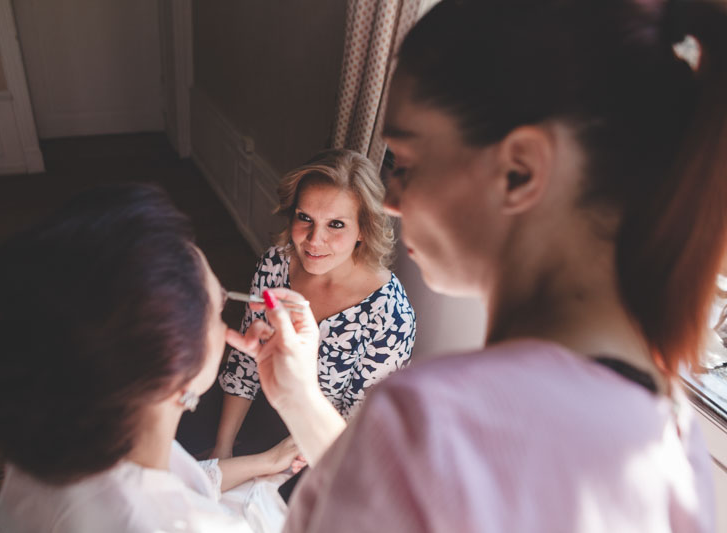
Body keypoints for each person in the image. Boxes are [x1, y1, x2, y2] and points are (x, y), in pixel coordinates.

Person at [229, 0, 726, 531]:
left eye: (405, 163)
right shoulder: (674, 438)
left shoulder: (428, 421)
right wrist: (301, 398)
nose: (390, 202)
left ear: (519, 171)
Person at [0, 184, 305, 533]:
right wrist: (300, 397)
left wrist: (265, 462)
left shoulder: (62, 429)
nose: (228, 330)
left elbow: (174, 483)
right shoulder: (180, 524)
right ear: (176, 365)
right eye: (219, 312)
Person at [212, 149, 416, 459]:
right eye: (305, 218)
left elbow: (359, 426)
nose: (314, 239)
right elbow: (245, 365)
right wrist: (223, 447)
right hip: (257, 409)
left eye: (336, 224)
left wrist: (276, 463)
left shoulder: (390, 315)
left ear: (363, 229)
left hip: (326, 448)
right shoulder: (275, 264)